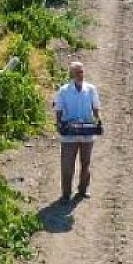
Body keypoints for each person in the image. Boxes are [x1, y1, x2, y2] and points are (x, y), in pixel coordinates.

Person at [52, 61, 102, 203]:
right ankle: (66, 193)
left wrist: (99, 121)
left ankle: (83, 189)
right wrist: (59, 123)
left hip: (87, 131)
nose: (80, 75)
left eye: (81, 72)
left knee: (86, 163)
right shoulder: (63, 91)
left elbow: (96, 107)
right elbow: (59, 109)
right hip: (69, 133)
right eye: (77, 72)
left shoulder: (91, 89)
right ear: (71, 74)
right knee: (67, 164)